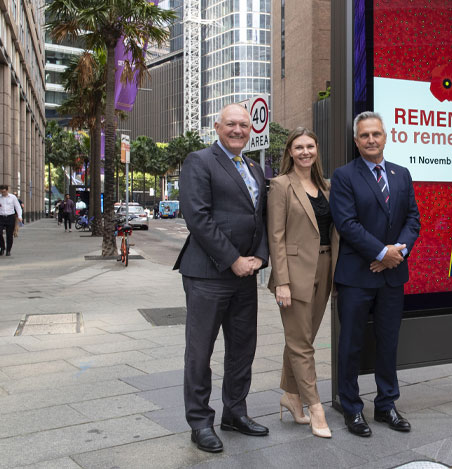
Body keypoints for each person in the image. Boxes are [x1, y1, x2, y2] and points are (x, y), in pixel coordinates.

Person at [173, 103, 270, 453]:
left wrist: (260, 256)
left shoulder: (255, 167)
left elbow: (261, 216)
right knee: (200, 352)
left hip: (246, 274)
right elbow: (197, 217)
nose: (238, 130)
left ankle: (235, 412)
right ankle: (200, 422)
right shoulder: (199, 161)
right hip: (208, 274)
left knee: (243, 348)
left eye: (244, 125)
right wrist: (232, 260)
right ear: (217, 126)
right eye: (231, 124)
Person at [329, 111, 421, 438]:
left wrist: (397, 253)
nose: (371, 140)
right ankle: (352, 408)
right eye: (364, 135)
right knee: (351, 344)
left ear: (385, 136)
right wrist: (382, 253)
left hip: (392, 277)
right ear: (356, 141)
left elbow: (413, 220)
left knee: (388, 344)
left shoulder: (402, 174)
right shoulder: (344, 176)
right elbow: (347, 223)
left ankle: (386, 405)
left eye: (376, 134)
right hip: (357, 276)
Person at [267, 127, 339, 439]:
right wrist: (281, 281)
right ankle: (315, 406)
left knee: (300, 337)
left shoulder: (326, 186)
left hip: (325, 268)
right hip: (294, 273)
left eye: (310, 146)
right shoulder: (281, 185)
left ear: (316, 150)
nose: (305, 152)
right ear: (290, 152)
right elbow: (276, 236)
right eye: (299, 147)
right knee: (302, 343)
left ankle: (291, 396)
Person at [0, 184, 23, 256]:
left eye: (4, 192)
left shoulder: (13, 197)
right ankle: (2, 247)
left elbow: (18, 207)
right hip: (1, 217)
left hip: (10, 217)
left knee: (9, 235)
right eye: (1, 192)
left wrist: (20, 216)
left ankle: (8, 250)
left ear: (7, 190)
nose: (3, 193)